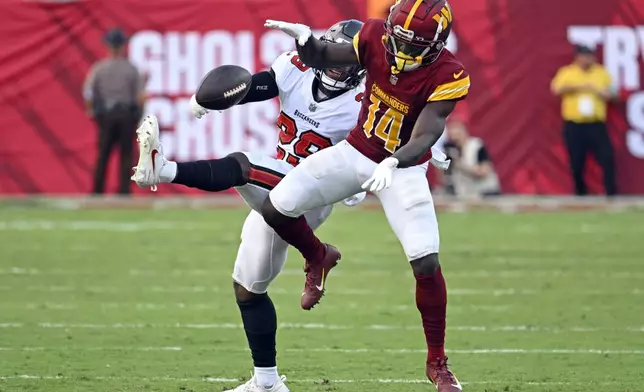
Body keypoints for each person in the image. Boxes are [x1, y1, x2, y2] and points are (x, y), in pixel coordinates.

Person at [132, 20, 368, 392]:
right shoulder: (296, 66)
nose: (335, 69)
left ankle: (163, 169)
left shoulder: (364, 102)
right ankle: (268, 382)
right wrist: (208, 100)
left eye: (344, 63)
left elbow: (373, 148)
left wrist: (366, 176)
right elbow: (255, 86)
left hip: (316, 191)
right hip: (276, 181)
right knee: (248, 288)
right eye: (332, 58)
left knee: (242, 166)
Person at [261, 0, 466, 390]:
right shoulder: (374, 35)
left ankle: (437, 362)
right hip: (355, 151)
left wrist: (396, 162)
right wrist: (306, 42)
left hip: (402, 170)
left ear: (436, 44)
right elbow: (325, 54)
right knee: (276, 205)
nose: (402, 51)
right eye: (399, 40)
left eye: (413, 45)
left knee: (425, 260)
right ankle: (318, 255)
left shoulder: (449, 73)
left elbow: (425, 133)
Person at [84, 28, 145, 195]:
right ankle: (124, 191)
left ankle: (97, 191)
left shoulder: (99, 68)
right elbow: (140, 96)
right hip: (126, 115)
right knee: (126, 155)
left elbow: (88, 93)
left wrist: (92, 112)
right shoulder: (131, 69)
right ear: (123, 46)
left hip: (106, 115)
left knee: (103, 155)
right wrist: (138, 115)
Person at [551, 44, 617, 196]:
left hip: (595, 124)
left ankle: (611, 192)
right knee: (576, 160)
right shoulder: (567, 72)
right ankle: (581, 192)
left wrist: (604, 92)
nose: (589, 59)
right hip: (575, 124)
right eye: (585, 56)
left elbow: (614, 92)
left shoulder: (602, 73)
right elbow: (556, 89)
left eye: (591, 56)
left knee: (606, 156)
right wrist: (582, 86)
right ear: (578, 57)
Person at [443, 120, 500, 197]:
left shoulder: (477, 146)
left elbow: (483, 172)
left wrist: (461, 166)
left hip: (485, 192)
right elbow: (444, 178)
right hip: (464, 194)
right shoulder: (450, 150)